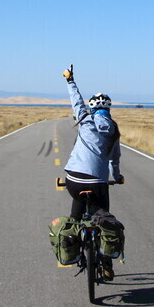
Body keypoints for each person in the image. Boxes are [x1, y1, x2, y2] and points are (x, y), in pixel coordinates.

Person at [61, 64, 123, 278]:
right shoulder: (113, 130)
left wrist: (70, 80)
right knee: (103, 219)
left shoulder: (85, 119)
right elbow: (115, 159)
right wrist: (117, 176)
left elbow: (76, 100)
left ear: (93, 109)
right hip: (97, 183)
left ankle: (74, 250)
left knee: (75, 217)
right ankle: (106, 265)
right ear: (108, 109)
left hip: (74, 179)